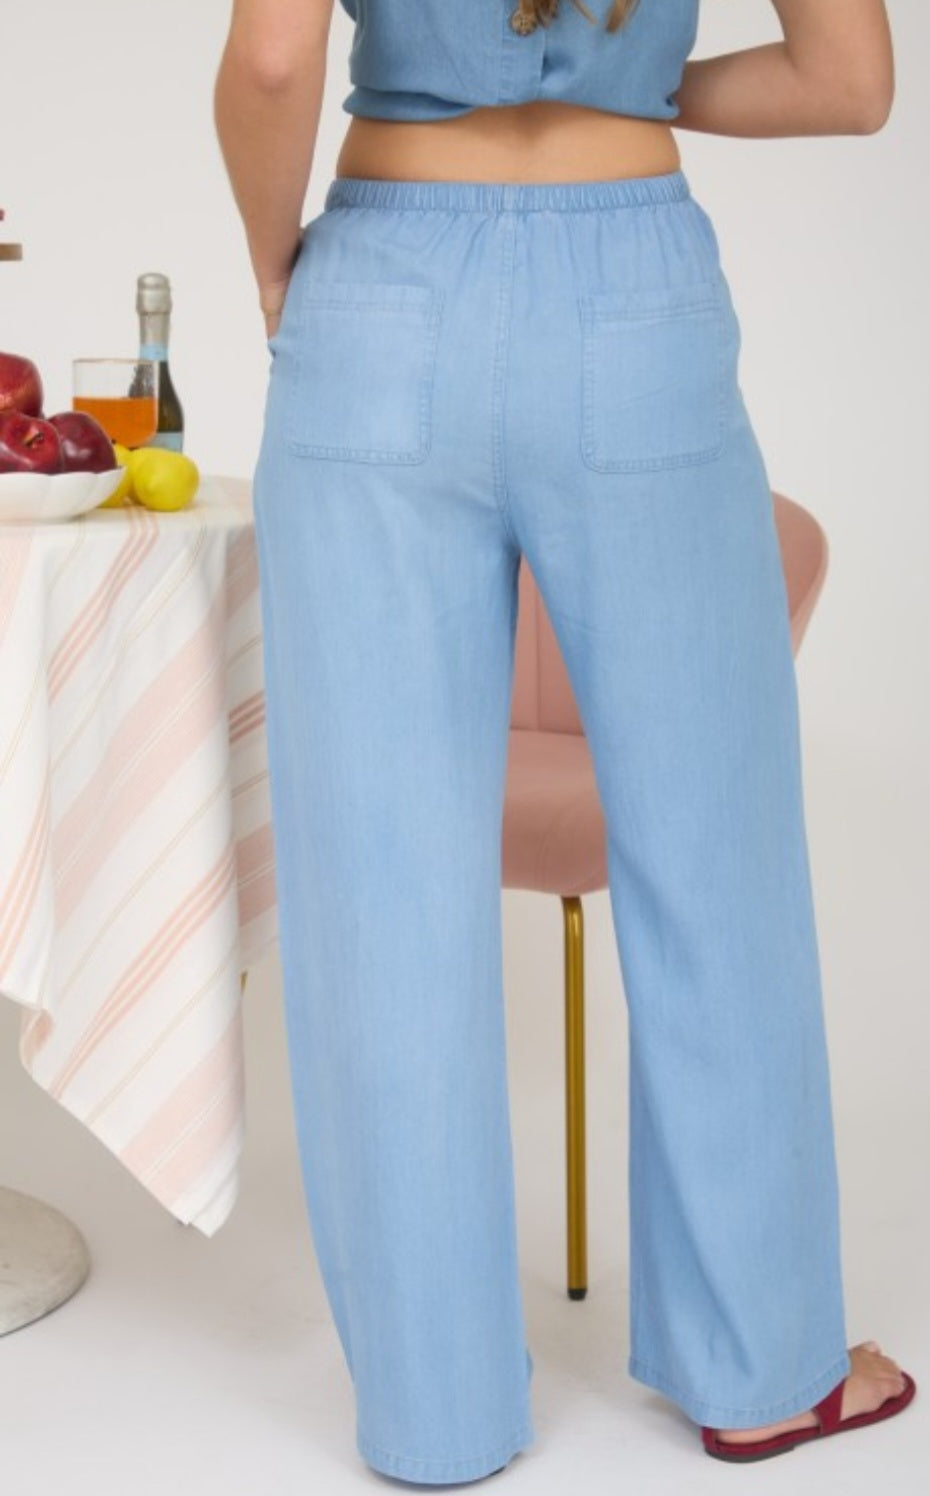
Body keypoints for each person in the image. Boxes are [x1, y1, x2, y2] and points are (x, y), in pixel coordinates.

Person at [214, 0, 916, 1482]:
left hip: (381, 280)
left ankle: (434, 1413)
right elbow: (848, 85)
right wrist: (640, 85)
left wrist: (282, 265)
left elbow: (273, 61)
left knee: (383, 885)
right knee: (711, 856)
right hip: (634, 290)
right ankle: (762, 1368)